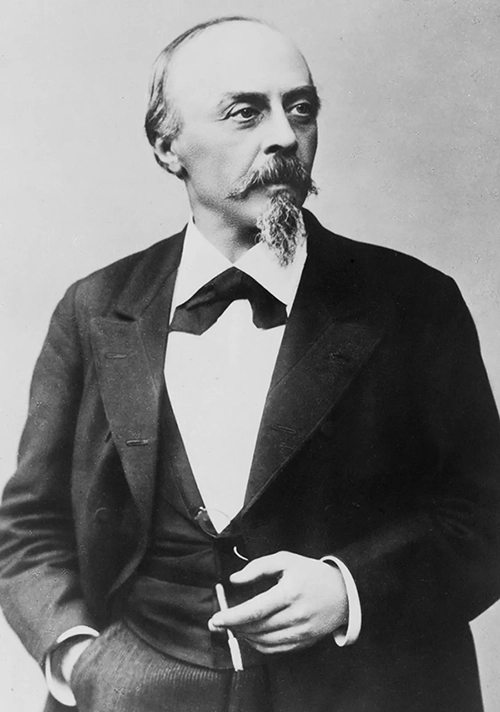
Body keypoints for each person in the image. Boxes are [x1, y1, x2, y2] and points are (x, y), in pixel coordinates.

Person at [0, 15, 499, 712]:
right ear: (167, 146)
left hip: (369, 693)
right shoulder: (95, 308)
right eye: (245, 112)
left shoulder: (414, 303)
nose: (285, 136)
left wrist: (349, 589)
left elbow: (486, 515)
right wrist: (78, 658)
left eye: (301, 108)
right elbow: (31, 524)